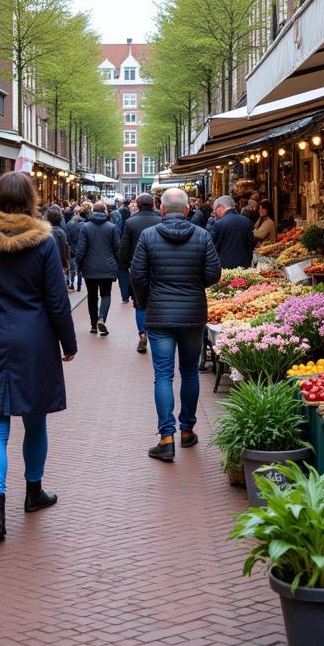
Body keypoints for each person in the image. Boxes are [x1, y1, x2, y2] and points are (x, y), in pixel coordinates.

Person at [0, 172, 77, 541]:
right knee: (35, 422)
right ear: (30, 199)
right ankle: (34, 492)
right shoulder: (45, 241)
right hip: (35, 341)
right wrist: (68, 343)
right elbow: (57, 299)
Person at [130, 188, 222, 461]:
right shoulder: (202, 235)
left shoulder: (148, 236)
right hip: (193, 313)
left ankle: (166, 437)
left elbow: (137, 274)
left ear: (161, 209)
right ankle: (187, 431)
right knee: (190, 373)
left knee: (163, 375)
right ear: (186, 210)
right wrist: (195, 287)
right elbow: (213, 273)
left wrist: (147, 298)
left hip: (159, 314)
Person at [119, 193, 161, 354]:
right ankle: (157, 334)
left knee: (140, 303)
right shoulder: (160, 220)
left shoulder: (130, 222)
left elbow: (124, 246)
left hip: (137, 268)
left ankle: (143, 334)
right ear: (153, 204)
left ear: (137, 204)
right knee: (157, 301)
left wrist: (124, 265)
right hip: (158, 268)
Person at [75, 200, 120, 335]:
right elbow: (117, 248)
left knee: (92, 296)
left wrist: (79, 264)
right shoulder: (111, 227)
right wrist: (118, 265)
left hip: (90, 268)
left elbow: (81, 249)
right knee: (106, 295)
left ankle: (94, 325)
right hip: (107, 267)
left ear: (93, 211)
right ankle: (102, 318)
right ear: (105, 212)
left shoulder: (85, 227)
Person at [210, 195, 255, 269]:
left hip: (224, 266)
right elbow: (252, 243)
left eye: (215, 210)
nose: (215, 213)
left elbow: (210, 245)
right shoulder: (246, 221)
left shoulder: (218, 224)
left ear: (221, 208)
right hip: (244, 264)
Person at [46, 205, 70, 285]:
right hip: (58, 259)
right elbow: (65, 248)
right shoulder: (61, 232)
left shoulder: (45, 231)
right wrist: (66, 262)